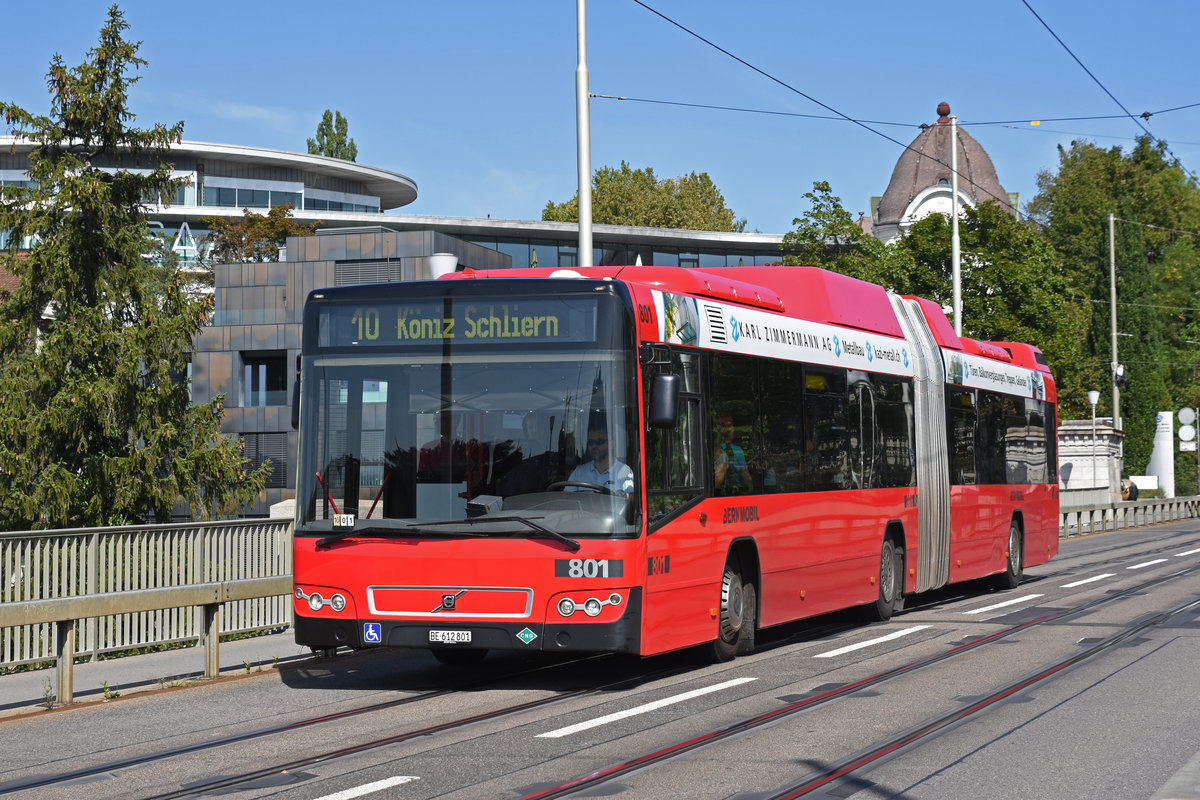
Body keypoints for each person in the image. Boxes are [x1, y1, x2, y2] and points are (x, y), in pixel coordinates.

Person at [566, 424, 634, 493]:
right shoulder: (578, 473)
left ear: (611, 444)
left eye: (599, 441)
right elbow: (567, 499)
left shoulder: (624, 472)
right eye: (590, 442)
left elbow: (630, 498)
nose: (594, 446)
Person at [714, 413, 752, 494]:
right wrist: (751, 488)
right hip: (735, 493)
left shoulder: (714, 449)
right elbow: (744, 474)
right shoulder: (737, 450)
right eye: (730, 426)